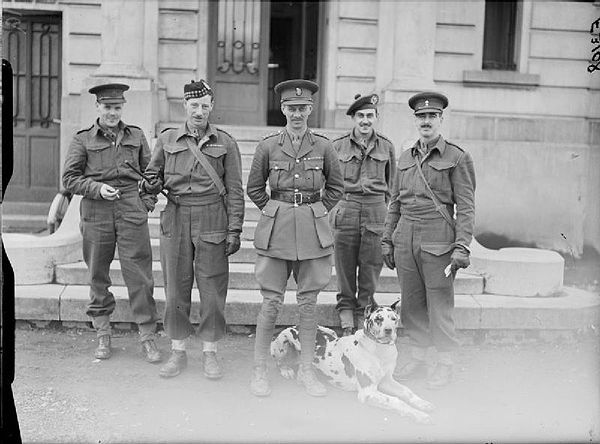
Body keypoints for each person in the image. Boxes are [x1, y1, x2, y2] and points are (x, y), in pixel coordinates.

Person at [141, 79, 244, 380]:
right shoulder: (167, 138)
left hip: (213, 216)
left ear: (212, 107)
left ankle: (210, 354)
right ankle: (178, 351)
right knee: (175, 289)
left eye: (205, 106)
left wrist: (235, 229)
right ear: (185, 106)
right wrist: (149, 188)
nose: (199, 111)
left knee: (212, 291)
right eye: (194, 105)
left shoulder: (226, 142)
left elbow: (235, 190)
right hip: (175, 215)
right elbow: (150, 176)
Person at [247, 79, 344, 397]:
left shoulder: (325, 147)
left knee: (308, 303)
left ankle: (305, 371)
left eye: (303, 108)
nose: (297, 114)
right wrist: (274, 210)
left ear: (311, 110)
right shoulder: (268, 146)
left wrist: (316, 211)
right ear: (283, 110)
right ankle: (259, 370)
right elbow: (254, 188)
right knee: (271, 302)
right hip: (277, 231)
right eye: (292, 108)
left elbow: (336, 189)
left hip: (312, 230)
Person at [381, 91, 476, 389]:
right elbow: (395, 201)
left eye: (431, 116)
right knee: (411, 304)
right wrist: (388, 239)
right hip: (406, 236)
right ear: (415, 120)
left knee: (440, 304)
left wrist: (462, 246)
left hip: (438, 238)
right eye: (421, 117)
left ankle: (445, 362)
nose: (426, 121)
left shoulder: (457, 157)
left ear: (441, 119)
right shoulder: (406, 156)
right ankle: (420, 357)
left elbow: (466, 206)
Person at [62, 83, 161, 363]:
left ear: (123, 107)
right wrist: (96, 189)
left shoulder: (137, 136)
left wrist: (146, 203)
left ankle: (147, 337)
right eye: (107, 107)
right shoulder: (82, 139)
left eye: (117, 107)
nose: (112, 113)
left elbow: (151, 175)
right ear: (97, 107)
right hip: (96, 211)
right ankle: (103, 334)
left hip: (131, 209)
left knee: (140, 276)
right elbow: (69, 179)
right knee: (97, 275)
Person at [331, 93, 396, 336]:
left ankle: (365, 312)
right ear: (353, 118)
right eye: (360, 116)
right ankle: (346, 313)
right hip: (346, 208)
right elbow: (329, 184)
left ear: (376, 118)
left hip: (376, 210)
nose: (365, 120)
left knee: (371, 266)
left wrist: (382, 209)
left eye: (370, 116)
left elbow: (393, 185)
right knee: (344, 265)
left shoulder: (386, 146)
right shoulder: (337, 146)